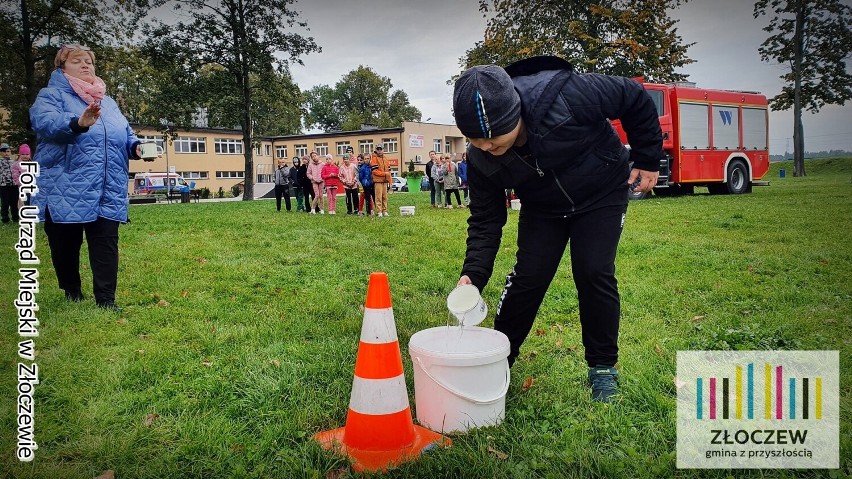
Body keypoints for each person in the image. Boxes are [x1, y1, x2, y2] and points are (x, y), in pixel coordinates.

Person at [452, 56, 662, 402]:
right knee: (527, 278)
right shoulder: (479, 160)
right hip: (544, 207)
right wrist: (472, 275)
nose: (488, 147)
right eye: (477, 141)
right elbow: (486, 221)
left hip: (601, 193)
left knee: (593, 270)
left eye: (494, 138)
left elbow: (633, 96)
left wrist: (648, 159)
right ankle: (499, 361)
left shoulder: (568, 94)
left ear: (515, 112)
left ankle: (603, 369)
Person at [30, 44, 145, 309]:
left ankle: (106, 300)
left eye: (89, 62)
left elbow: (124, 131)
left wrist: (134, 146)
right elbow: (44, 124)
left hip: (108, 184)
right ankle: (72, 291)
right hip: (65, 185)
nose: (86, 65)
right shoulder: (51, 95)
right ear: (62, 68)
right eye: (77, 61)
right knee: (65, 246)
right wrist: (77, 123)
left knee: (106, 242)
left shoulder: (108, 101)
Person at [370, 145, 392, 217]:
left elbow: (389, 172)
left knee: (385, 197)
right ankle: (379, 211)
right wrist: (384, 173)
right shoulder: (374, 158)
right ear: (376, 150)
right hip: (378, 181)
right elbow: (374, 171)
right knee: (378, 197)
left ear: (383, 150)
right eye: (378, 149)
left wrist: (390, 183)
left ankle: (384, 210)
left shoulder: (386, 159)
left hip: (385, 181)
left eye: (380, 149)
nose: (379, 151)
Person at [0, 143, 19, 224]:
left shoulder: (14, 162)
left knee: (14, 203)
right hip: (3, 186)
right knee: (5, 203)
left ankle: (15, 218)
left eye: (8, 151)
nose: (6, 153)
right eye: (4, 151)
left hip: (14, 186)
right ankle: (5, 219)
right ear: (1, 153)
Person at [12, 144, 31, 208]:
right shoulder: (16, 165)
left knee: (31, 202)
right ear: (20, 154)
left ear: (29, 154)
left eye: (27, 154)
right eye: (23, 154)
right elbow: (15, 177)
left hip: (32, 187)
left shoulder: (33, 164)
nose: (25, 156)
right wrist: (23, 183)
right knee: (23, 203)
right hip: (22, 188)